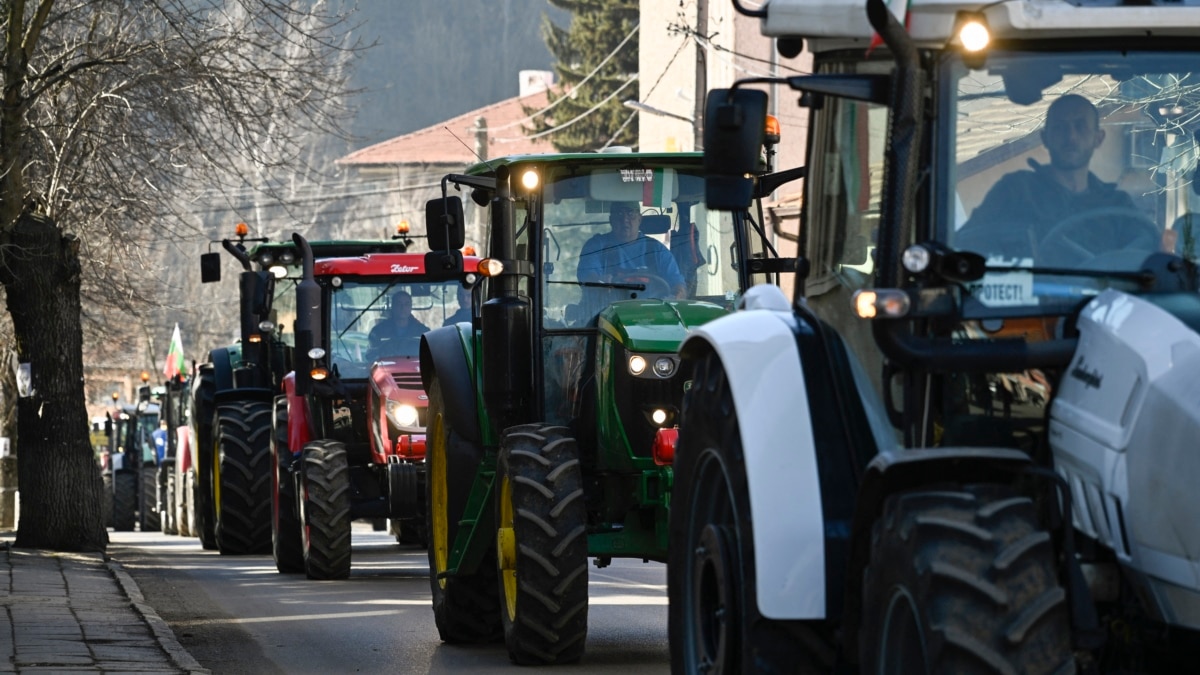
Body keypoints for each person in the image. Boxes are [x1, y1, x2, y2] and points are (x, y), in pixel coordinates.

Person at [957, 94, 1141, 260]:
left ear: (1098, 138)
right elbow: (967, 246)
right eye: (1060, 128)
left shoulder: (1117, 206)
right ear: (1045, 138)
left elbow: (1145, 259)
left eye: (1080, 126)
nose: (1071, 136)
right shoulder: (1015, 192)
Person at [577, 202, 688, 299]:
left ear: (640, 219)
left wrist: (677, 294)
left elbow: (677, 283)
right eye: (619, 214)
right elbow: (588, 278)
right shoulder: (596, 246)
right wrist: (599, 282)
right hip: (605, 315)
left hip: (652, 314)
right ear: (611, 220)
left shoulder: (657, 250)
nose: (625, 219)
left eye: (630, 214)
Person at [368, 290, 429, 357]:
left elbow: (431, 356)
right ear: (393, 306)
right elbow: (371, 357)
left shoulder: (423, 332)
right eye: (399, 304)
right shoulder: (378, 332)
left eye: (407, 304)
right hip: (387, 367)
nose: (403, 308)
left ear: (411, 307)